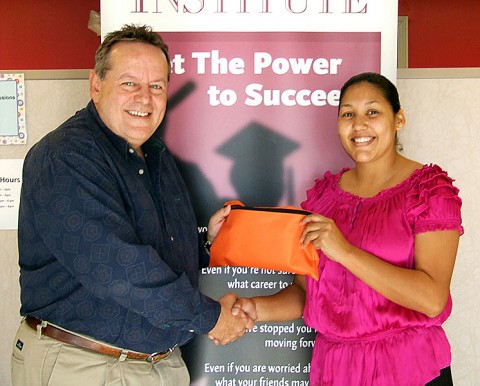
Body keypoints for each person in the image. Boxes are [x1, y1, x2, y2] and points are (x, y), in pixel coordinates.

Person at [11, 24, 252, 386]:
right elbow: (119, 270)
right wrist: (212, 317)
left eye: (156, 86)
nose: (145, 98)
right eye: (129, 84)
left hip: (156, 365)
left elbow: (153, 247)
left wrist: (205, 246)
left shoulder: (155, 154)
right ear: (96, 84)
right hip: (83, 366)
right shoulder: (66, 157)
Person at [229, 72, 463, 385]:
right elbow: (304, 292)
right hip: (336, 370)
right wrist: (254, 309)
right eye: (348, 114)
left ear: (399, 119)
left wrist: (345, 251)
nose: (359, 124)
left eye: (373, 112)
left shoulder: (428, 190)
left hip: (409, 368)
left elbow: (432, 298)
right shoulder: (324, 197)